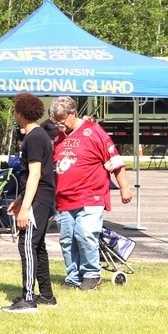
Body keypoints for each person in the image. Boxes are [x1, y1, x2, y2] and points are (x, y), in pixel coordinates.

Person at [50, 96, 132, 290]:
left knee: (86, 234)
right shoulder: (58, 137)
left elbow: (114, 160)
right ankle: (73, 277)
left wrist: (124, 187)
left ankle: (91, 275)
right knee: (67, 240)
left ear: (73, 113)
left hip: (91, 195)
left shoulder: (94, 131)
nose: (59, 123)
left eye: (62, 119)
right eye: (56, 120)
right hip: (64, 198)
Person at [3, 92, 57, 313]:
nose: (14, 113)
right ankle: (46, 295)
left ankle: (28, 299)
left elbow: (35, 174)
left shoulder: (33, 138)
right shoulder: (40, 135)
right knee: (38, 246)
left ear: (20, 112)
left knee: (26, 245)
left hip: (38, 199)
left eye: (15, 109)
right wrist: (19, 200)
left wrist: (25, 208)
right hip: (40, 197)